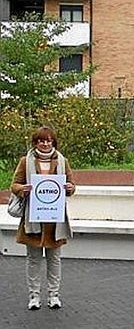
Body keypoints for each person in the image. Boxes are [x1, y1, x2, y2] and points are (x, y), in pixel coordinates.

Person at [10, 126, 76, 310]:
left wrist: (70, 188)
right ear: (35, 142)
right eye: (41, 140)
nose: (45, 144)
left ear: (53, 142)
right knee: (33, 260)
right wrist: (22, 189)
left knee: (54, 260)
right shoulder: (25, 161)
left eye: (49, 140)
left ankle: (54, 295)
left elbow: (71, 185)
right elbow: (14, 184)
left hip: (55, 220)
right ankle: (34, 296)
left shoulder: (63, 161)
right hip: (33, 218)